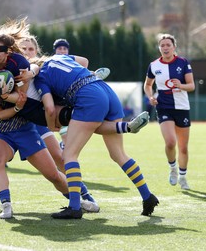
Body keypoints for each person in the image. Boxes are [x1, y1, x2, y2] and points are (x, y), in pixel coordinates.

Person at [0, 18, 94, 219]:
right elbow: (0, 110)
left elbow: (32, 80)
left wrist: (30, 75)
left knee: (55, 168)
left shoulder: (24, 63)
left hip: (32, 120)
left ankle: (82, 197)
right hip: (6, 127)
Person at [34, 54, 158, 219]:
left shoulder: (39, 76)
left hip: (88, 95)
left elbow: (49, 109)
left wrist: (51, 125)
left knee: (69, 155)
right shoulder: (58, 57)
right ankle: (147, 196)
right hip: (104, 89)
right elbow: (84, 61)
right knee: (118, 153)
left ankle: (75, 207)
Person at [143, 33, 195, 190]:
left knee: (183, 147)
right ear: (159, 48)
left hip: (182, 107)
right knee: (171, 142)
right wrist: (151, 97)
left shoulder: (183, 63)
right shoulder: (154, 65)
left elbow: (191, 86)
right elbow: (147, 85)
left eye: (168, 45)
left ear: (174, 47)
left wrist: (181, 85)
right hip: (164, 107)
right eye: (162, 45)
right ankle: (172, 169)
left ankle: (183, 177)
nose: (165, 48)